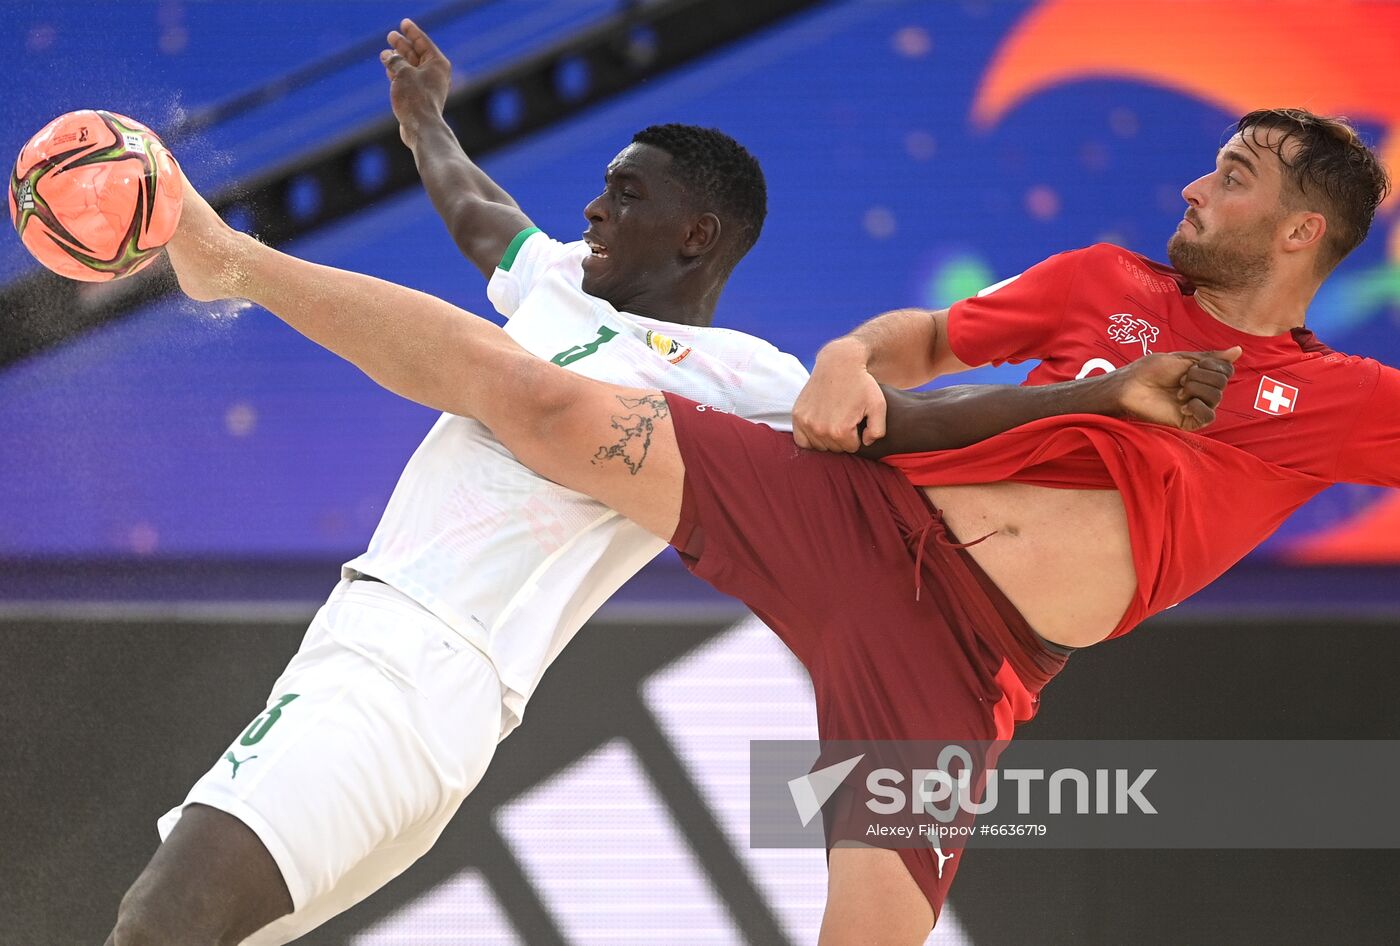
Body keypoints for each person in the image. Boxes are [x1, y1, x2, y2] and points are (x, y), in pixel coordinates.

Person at [104, 21, 1229, 946]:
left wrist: (1094, 397)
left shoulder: (746, 384)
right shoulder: (555, 287)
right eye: (598, 189)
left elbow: (916, 424)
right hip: (374, 664)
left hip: (421, 670)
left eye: (622, 193)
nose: (589, 210)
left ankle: (226, 260)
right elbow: (474, 208)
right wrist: (423, 118)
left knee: (162, 921)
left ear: (695, 234)